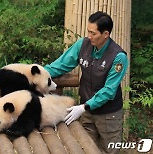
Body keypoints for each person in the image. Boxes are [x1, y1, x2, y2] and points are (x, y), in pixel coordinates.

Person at [44, 11, 128, 154]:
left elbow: (108, 91)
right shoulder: (82, 45)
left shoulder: (118, 57)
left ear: (106, 34)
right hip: (87, 111)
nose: (89, 37)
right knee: (85, 148)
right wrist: (37, 73)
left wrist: (83, 107)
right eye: (88, 32)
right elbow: (60, 65)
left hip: (108, 115)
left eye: (93, 33)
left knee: (110, 150)